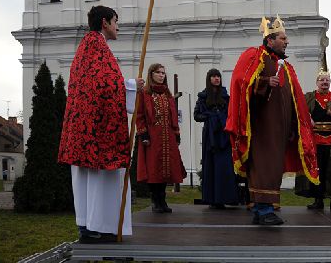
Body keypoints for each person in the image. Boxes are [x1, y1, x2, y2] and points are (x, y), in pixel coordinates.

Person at [58, 5, 143, 243]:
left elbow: (97, 83)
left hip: (86, 130)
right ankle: (98, 227)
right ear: (104, 22)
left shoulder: (90, 46)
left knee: (89, 181)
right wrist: (132, 86)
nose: (118, 26)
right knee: (96, 180)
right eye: (116, 21)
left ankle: (90, 226)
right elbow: (104, 85)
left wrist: (128, 86)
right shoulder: (96, 47)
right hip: (95, 135)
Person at [225, 16, 319, 226]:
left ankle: (262, 208)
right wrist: (265, 82)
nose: (287, 42)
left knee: (273, 167)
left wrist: (302, 120)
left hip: (280, 128)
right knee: (264, 166)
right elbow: (242, 83)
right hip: (262, 127)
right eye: (283, 38)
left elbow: (295, 97)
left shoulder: (285, 66)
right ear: (270, 40)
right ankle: (264, 209)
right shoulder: (255, 56)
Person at [295, 69, 331, 211]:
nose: (325, 82)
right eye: (322, 80)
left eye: (327, 80)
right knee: (317, 170)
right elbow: (299, 115)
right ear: (317, 82)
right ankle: (317, 199)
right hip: (314, 142)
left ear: (330, 82)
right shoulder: (308, 98)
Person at [136, 63, 187, 213]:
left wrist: (176, 134)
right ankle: (155, 201)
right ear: (151, 74)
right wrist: (143, 134)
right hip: (152, 137)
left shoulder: (168, 95)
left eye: (163, 73)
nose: (161, 75)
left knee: (166, 169)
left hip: (168, 136)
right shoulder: (144, 94)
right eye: (158, 72)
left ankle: (163, 200)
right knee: (154, 169)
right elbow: (139, 116)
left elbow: (174, 117)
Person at [193, 68, 239, 209]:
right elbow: (196, 116)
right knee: (211, 166)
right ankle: (212, 199)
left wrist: (222, 118)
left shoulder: (225, 96)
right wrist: (209, 117)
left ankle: (225, 197)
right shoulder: (203, 96)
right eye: (213, 76)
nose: (216, 78)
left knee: (224, 166)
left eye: (218, 76)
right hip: (210, 136)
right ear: (209, 79)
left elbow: (232, 113)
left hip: (224, 135)